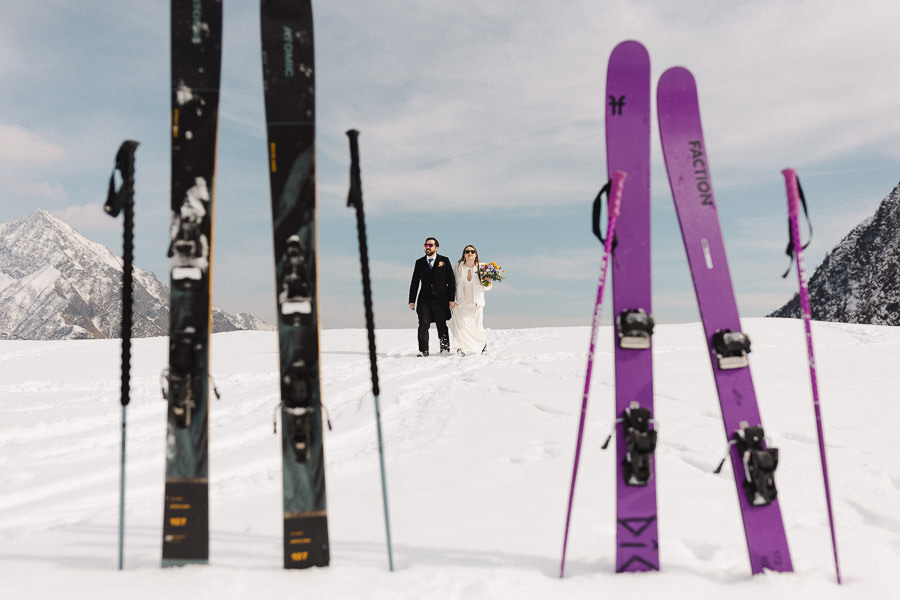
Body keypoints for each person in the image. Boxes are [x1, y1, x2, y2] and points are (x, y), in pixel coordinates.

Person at [408, 237, 456, 356]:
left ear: (436, 247)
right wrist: (411, 300)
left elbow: (451, 281)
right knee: (423, 324)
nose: (428, 247)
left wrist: (451, 299)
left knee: (441, 324)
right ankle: (423, 350)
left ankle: (444, 349)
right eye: (426, 245)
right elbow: (415, 282)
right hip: (424, 299)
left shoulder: (444, 261)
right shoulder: (419, 262)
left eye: (430, 245)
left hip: (441, 299)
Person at [450, 244, 490, 355]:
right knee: (461, 327)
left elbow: (487, 287)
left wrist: (488, 281)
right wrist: (452, 300)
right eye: (467, 251)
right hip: (461, 302)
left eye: (472, 251)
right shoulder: (458, 267)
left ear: (476, 254)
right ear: (464, 254)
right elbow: (453, 284)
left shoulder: (482, 267)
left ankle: (483, 346)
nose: (470, 254)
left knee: (477, 327)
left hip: (476, 303)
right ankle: (460, 348)